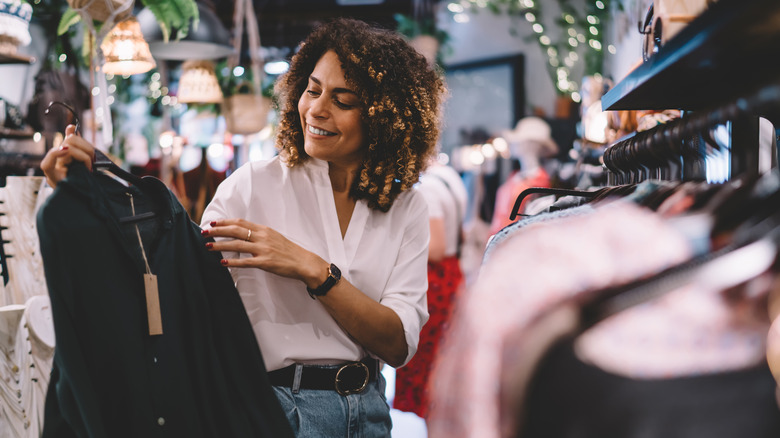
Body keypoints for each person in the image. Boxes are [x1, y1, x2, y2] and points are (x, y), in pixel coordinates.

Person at [40, 17, 447, 437]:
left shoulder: (406, 207)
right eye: (312, 89)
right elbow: (176, 276)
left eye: (343, 101)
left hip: (370, 415)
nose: (316, 109)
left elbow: (397, 344)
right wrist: (89, 192)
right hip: (275, 411)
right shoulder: (255, 185)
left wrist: (313, 269)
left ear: (385, 118)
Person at [393, 158, 468, 420]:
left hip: (434, 282)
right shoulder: (449, 176)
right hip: (452, 272)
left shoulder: (426, 188)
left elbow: (435, 247)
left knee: (429, 372)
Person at [489, 117, 558, 235]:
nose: (512, 144)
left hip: (514, 243)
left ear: (529, 144)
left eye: (517, 140)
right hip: (498, 242)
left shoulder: (540, 181)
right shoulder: (515, 176)